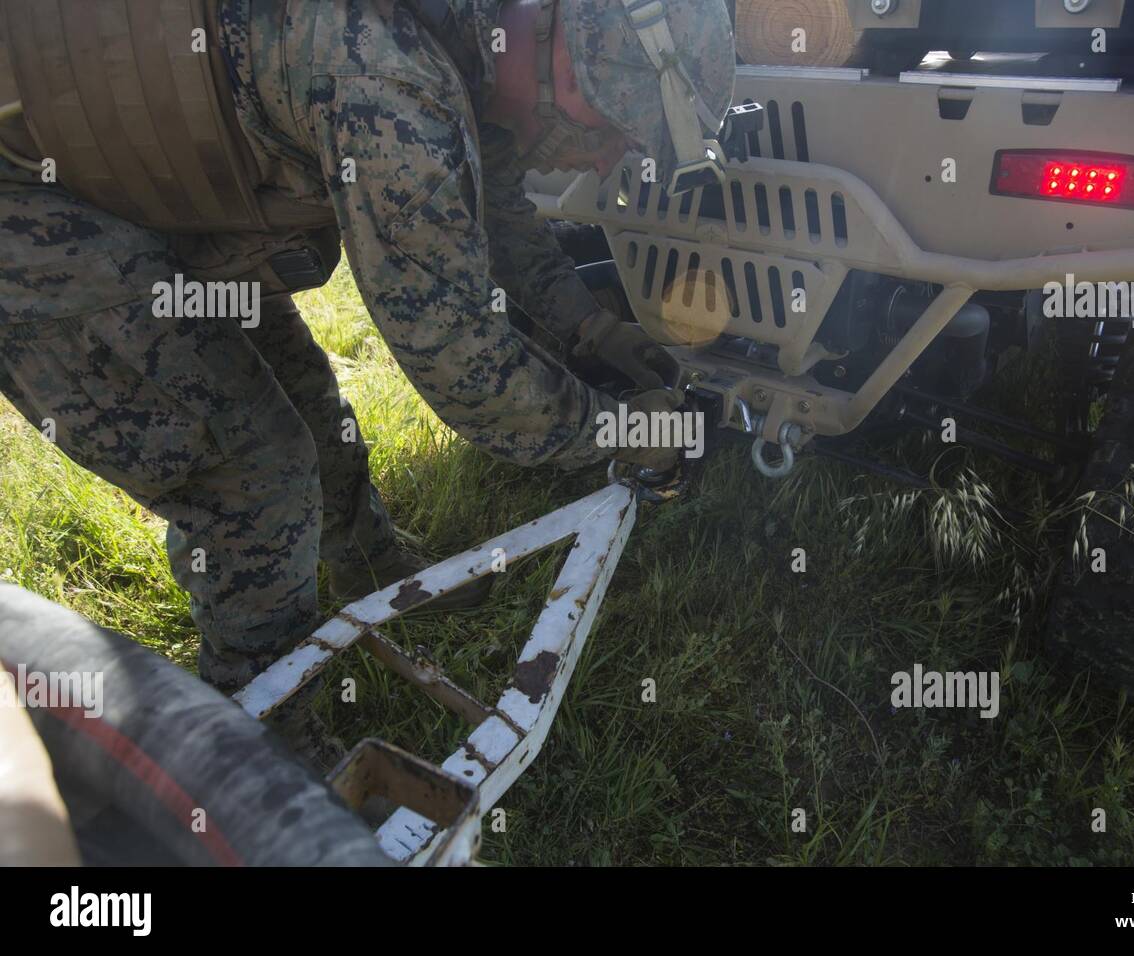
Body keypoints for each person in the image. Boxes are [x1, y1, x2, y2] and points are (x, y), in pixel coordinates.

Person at [0, 1, 736, 702]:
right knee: (255, 470)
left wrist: (594, 328)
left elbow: (494, 208)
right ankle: (263, 737)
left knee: (304, 400)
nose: (609, 161)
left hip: (130, 193)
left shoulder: (467, 33)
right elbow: (466, 370)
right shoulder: (394, 89)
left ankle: (366, 564)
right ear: (572, 70)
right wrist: (630, 432)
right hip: (32, 217)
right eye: (618, 134)